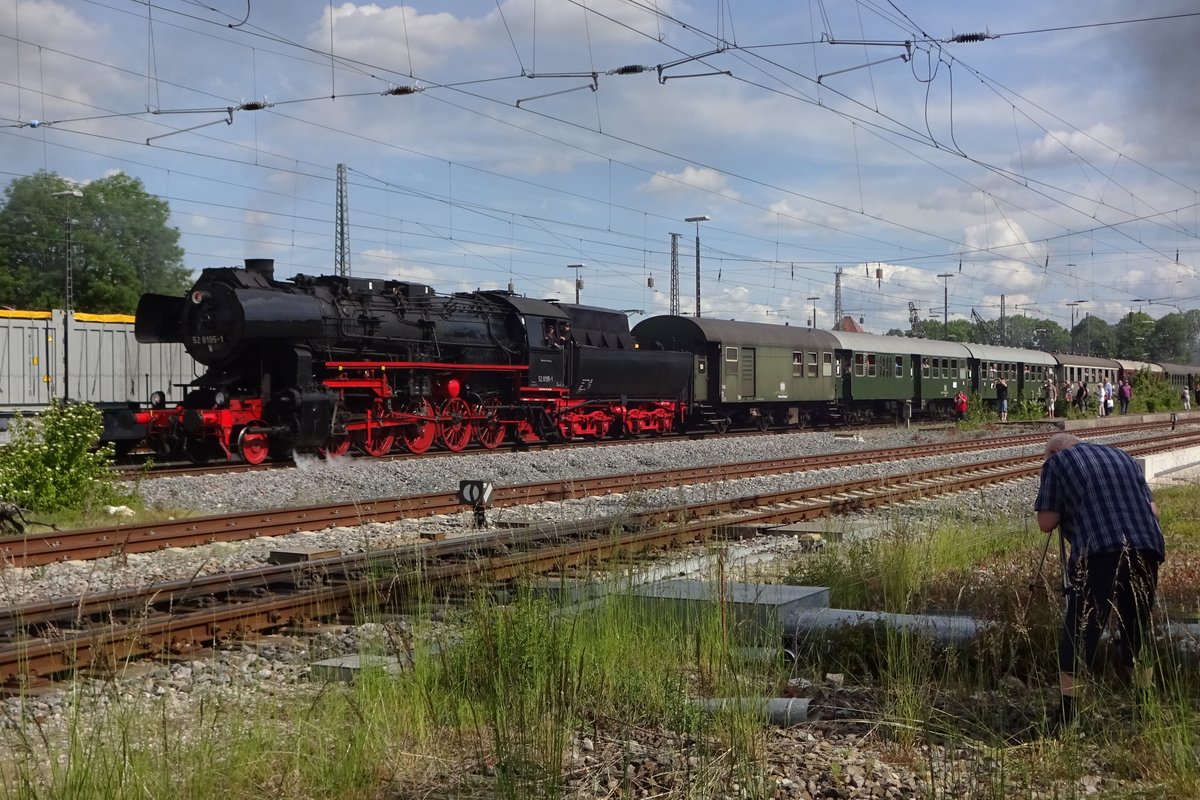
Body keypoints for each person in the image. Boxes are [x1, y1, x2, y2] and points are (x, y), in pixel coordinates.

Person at [1034, 433, 1165, 731]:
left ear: (1054, 451)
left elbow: (1046, 522)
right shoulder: (1125, 458)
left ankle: (1068, 716)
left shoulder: (1057, 462)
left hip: (1098, 552)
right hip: (1147, 545)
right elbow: (1153, 511)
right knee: (1136, 628)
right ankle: (1145, 708)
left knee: (1081, 631)